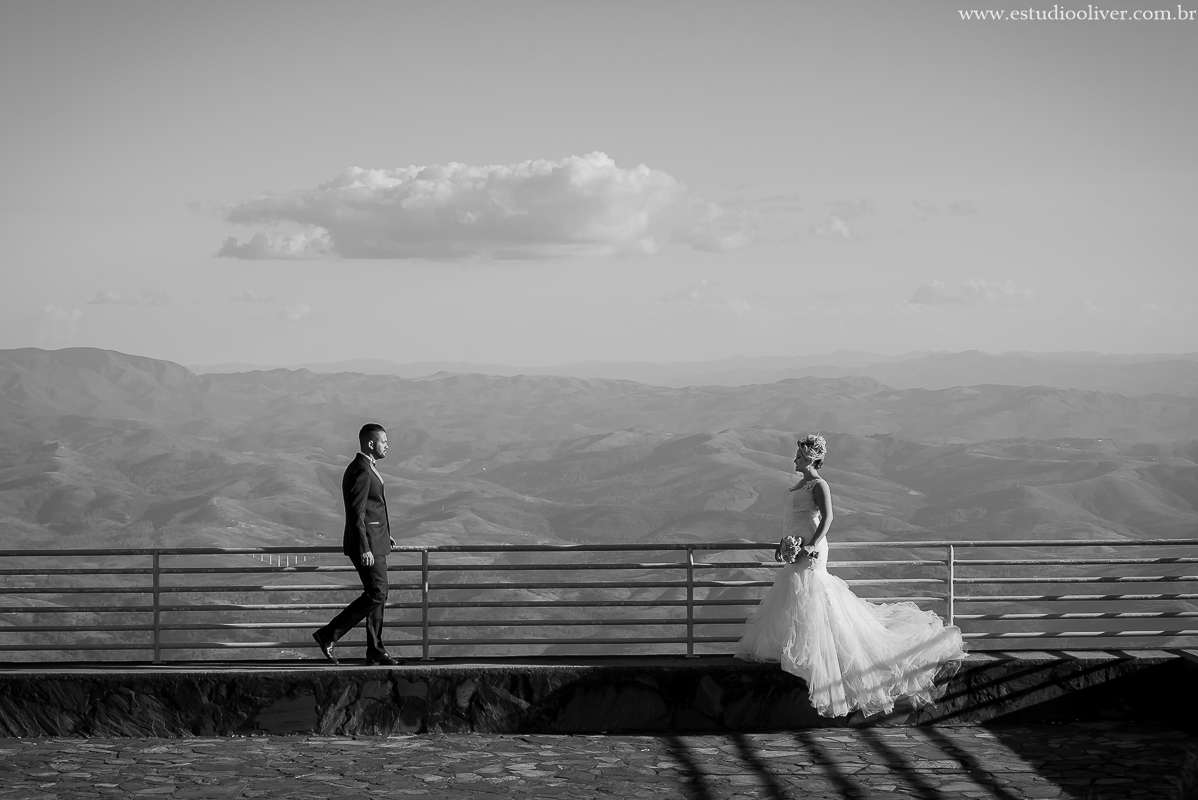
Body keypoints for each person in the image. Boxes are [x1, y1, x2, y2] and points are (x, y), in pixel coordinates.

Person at [734, 434, 964, 717]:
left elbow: (828, 518)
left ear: (811, 458)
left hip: (813, 548)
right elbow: (792, 518)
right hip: (796, 545)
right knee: (793, 592)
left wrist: (810, 544)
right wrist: (784, 544)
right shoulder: (798, 485)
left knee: (812, 591)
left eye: (799, 455)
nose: (794, 458)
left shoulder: (819, 485)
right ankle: (796, 652)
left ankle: (823, 657)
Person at [312, 423, 402, 666]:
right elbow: (356, 514)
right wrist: (365, 548)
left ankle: (375, 649)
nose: (387, 446)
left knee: (378, 595)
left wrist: (385, 535)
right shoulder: (361, 471)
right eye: (384, 442)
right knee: (377, 593)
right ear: (371, 443)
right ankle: (328, 634)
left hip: (376, 542)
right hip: (368, 548)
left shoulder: (365, 467)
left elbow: (373, 510)